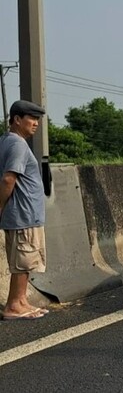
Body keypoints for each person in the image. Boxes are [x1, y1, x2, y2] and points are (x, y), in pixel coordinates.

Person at [0, 100, 49, 320]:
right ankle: (13, 306)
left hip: (22, 214)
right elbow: (9, 178)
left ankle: (21, 301)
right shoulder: (18, 144)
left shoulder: (6, 141)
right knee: (23, 260)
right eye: (31, 118)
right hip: (23, 214)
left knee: (24, 260)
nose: (36, 123)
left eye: (37, 119)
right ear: (17, 119)